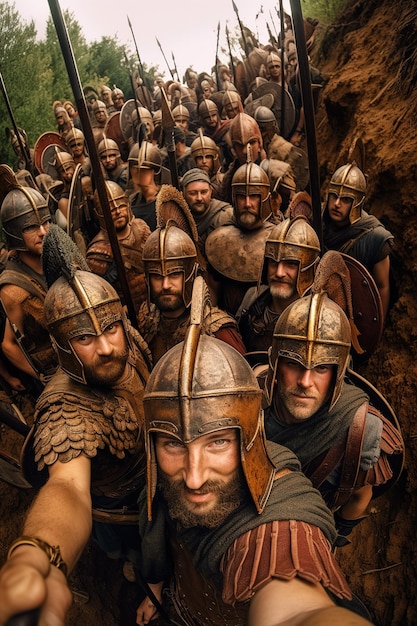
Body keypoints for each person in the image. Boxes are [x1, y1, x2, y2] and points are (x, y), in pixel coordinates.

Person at [134, 315, 374, 626]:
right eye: (173, 445)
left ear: (249, 438)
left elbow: (295, 607)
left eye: (218, 442)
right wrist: (155, 584)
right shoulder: (162, 481)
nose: (194, 478)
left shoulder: (284, 520)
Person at [0, 227, 152, 625]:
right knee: (126, 546)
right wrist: (37, 554)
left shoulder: (124, 341)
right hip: (118, 504)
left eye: (109, 328)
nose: (105, 347)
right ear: (63, 344)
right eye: (84, 338)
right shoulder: (67, 408)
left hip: (158, 472)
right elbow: (68, 488)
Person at [263, 292, 403, 543]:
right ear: (276, 362)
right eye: (294, 364)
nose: (305, 382)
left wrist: (333, 536)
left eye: (321, 367)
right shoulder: (248, 402)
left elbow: (361, 496)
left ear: (338, 372)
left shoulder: (361, 429)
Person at [137, 185, 245, 363]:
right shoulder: (149, 322)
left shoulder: (216, 329)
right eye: (157, 276)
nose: (165, 285)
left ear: (189, 275)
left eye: (174, 275)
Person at [0, 177, 57, 384]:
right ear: (15, 234)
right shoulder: (13, 288)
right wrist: (40, 376)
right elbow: (9, 344)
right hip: (53, 368)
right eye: (31, 227)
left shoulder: (56, 257)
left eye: (45, 222)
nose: (42, 232)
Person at [237, 216, 320, 353]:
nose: (279, 272)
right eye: (274, 263)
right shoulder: (252, 298)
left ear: (307, 268)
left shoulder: (318, 315)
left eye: (291, 264)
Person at [323, 162, 393, 321]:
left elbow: (382, 287)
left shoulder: (375, 238)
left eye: (346, 199)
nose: (336, 204)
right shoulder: (317, 222)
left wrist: (375, 330)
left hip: (353, 320)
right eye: (334, 195)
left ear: (358, 202)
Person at [205, 161, 276, 315]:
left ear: (264, 198)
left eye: (254, 197)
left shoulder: (277, 238)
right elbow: (212, 289)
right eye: (242, 197)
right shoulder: (219, 239)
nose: (247, 204)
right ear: (234, 199)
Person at [86, 181, 151, 313]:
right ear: (99, 213)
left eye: (120, 205)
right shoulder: (98, 252)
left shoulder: (141, 228)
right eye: (110, 208)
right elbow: (100, 299)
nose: (117, 211)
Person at [180, 168, 233, 259]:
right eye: (193, 193)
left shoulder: (225, 215)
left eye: (204, 192)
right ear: (183, 194)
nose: (199, 198)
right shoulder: (178, 219)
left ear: (211, 191)